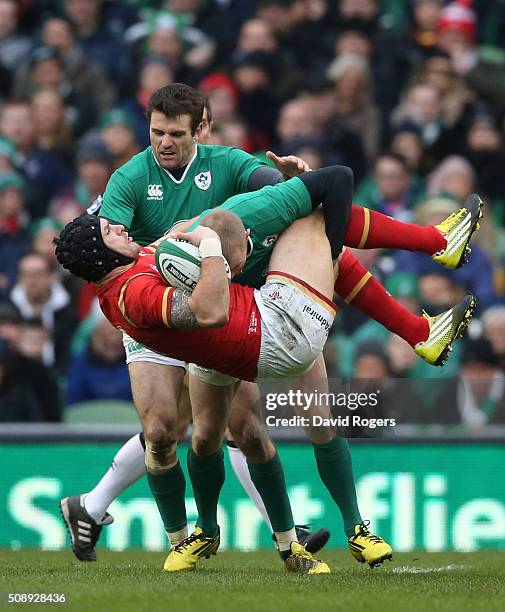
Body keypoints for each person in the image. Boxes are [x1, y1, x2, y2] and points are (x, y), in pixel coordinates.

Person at [57, 83, 482, 569]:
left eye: (176, 133)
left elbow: (263, 188)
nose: (164, 142)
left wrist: (282, 184)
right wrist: (208, 246)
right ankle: (172, 530)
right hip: (180, 308)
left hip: (232, 300)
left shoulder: (227, 164)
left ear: (203, 129)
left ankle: (306, 535)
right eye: (156, 132)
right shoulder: (130, 182)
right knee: (165, 430)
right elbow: (109, 250)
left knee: (248, 430)